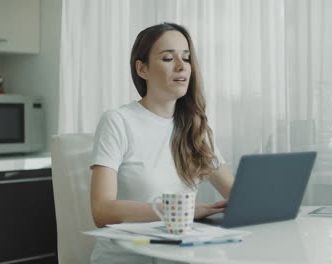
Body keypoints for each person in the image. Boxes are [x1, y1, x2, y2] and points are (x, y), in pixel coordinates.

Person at [89, 22, 235, 264]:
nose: (181, 66)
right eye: (168, 58)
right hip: (127, 258)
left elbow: (238, 197)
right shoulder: (118, 122)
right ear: (142, 69)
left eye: (186, 58)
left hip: (179, 257)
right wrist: (184, 212)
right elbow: (102, 211)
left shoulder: (196, 128)